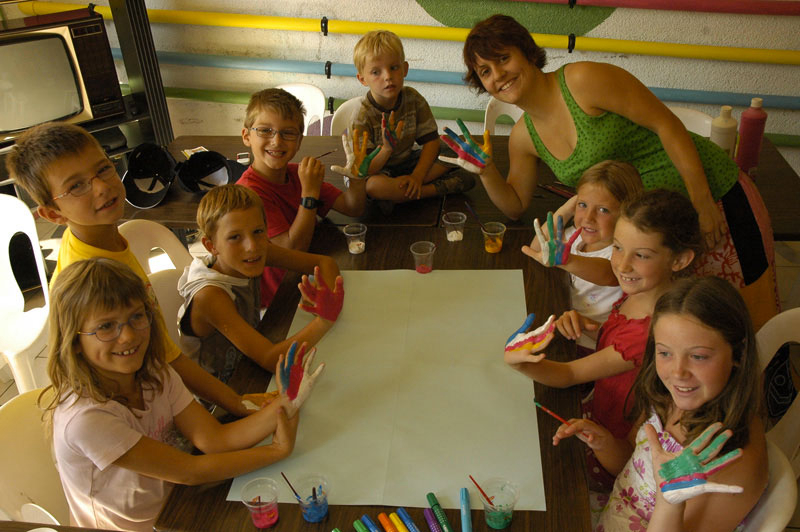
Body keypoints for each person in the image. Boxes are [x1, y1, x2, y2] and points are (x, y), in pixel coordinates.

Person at [453, 14, 777, 330]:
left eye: (503, 58)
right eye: (485, 71)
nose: (498, 74)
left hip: (713, 195)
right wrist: (486, 171)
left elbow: (666, 124)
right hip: (657, 231)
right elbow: (514, 205)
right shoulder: (524, 135)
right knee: (696, 327)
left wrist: (702, 200)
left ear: (526, 51)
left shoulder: (582, 81)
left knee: (751, 318)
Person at [42, 258, 324, 531]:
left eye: (136, 316)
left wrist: (286, 403)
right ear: (74, 340)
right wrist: (276, 450)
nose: (127, 336)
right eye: (106, 326)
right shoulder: (87, 419)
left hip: (178, 502)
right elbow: (190, 471)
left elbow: (215, 439)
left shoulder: (154, 371)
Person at [6, 122, 264, 417]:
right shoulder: (94, 277)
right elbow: (168, 360)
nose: (102, 187)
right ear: (53, 214)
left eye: (103, 169)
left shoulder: (98, 237)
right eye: (76, 186)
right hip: (135, 415)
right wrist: (238, 404)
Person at [505, 189, 702, 490]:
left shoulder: (651, 331)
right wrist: (591, 327)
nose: (622, 265)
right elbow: (625, 348)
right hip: (597, 410)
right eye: (618, 248)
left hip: (609, 449)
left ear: (680, 259)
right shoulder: (649, 294)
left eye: (641, 255)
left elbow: (569, 374)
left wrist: (519, 362)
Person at [553, 276, 768, 531]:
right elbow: (630, 463)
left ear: (738, 354)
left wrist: (669, 503)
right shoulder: (666, 397)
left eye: (698, 356)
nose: (678, 372)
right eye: (665, 353)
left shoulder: (734, 458)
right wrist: (604, 443)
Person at [178, 184, 343, 383]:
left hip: (251, 362)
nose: (251, 246)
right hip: (224, 390)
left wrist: (325, 296)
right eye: (234, 237)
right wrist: (325, 320)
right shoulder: (210, 296)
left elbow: (324, 263)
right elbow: (271, 359)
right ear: (211, 246)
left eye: (258, 231)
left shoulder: (256, 252)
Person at [237, 87, 363, 307]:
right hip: (279, 299)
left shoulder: (297, 173)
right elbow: (292, 250)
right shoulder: (248, 194)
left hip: (309, 278)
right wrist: (309, 194)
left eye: (288, 133)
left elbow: (353, 208)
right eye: (265, 130)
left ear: (299, 141)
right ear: (247, 136)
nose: (277, 141)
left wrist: (358, 174)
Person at [523, 160, 643, 351]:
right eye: (583, 205)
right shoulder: (577, 236)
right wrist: (567, 208)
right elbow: (538, 248)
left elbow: (608, 274)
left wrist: (568, 260)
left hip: (590, 343)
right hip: (563, 321)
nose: (588, 218)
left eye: (603, 210)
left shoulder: (621, 252)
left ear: (627, 214)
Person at [347, 29, 474, 207]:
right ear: (362, 79)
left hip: (409, 163)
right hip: (380, 171)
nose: (388, 77)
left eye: (394, 68)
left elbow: (431, 142)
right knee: (373, 186)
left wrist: (417, 176)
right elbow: (365, 169)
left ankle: (406, 190)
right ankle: (422, 191)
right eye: (376, 72)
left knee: (459, 145)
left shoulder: (413, 98)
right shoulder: (361, 116)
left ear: (405, 69)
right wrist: (386, 149)